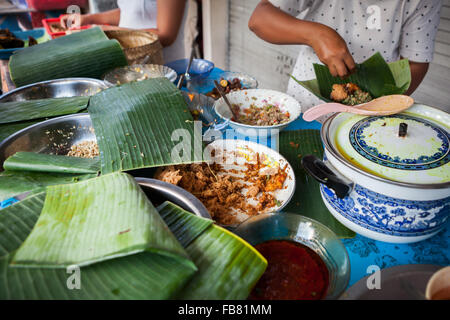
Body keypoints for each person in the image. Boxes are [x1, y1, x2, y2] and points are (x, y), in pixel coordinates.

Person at [248, 0, 442, 114]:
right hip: (306, 105)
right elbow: (260, 19)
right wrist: (315, 34)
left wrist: (381, 106)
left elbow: (416, 60)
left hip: (369, 111)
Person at [60, 0, 198, 62]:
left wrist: (109, 31)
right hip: (133, 63)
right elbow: (130, 12)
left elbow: (166, 35)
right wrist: (88, 19)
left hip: (163, 67)